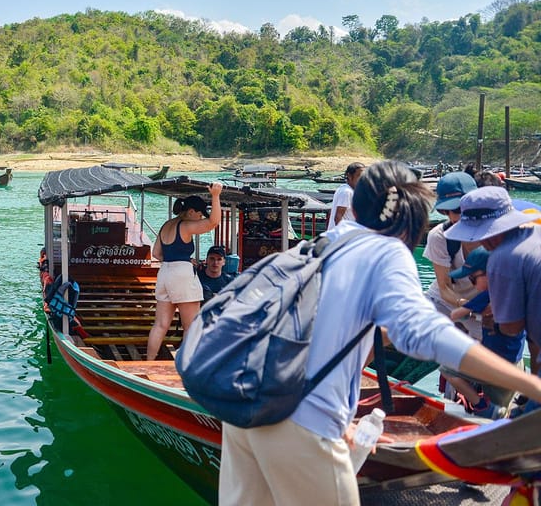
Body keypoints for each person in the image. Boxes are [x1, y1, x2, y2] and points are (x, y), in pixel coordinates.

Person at [217, 161, 541, 506]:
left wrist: (340, 414)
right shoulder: (385, 254)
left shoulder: (313, 247)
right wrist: (529, 385)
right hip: (299, 419)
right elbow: (425, 333)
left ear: (356, 205)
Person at [444, 186, 541, 381]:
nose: (481, 242)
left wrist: (497, 317)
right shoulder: (537, 233)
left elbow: (511, 328)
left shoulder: (502, 258)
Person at [442, 247, 525, 418]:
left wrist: (469, 309)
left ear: (490, 273)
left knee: (447, 369)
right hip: (515, 360)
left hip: (494, 363)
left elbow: (455, 315)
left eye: (473, 279)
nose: (472, 284)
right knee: (502, 409)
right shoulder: (515, 293)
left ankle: (480, 405)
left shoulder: (487, 296)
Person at [146, 184, 223, 360]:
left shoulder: (167, 225)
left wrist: (177, 260)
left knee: (160, 325)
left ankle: (148, 361)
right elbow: (214, 222)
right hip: (182, 274)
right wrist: (216, 196)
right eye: (199, 214)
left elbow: (156, 253)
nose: (200, 218)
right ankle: (185, 363)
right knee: (190, 326)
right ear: (190, 212)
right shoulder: (186, 226)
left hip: (164, 272)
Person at [422, 171, 481, 339]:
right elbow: (444, 287)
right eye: (450, 211)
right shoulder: (440, 236)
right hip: (445, 303)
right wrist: (465, 306)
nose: (457, 216)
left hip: (484, 309)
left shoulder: (495, 233)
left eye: (462, 209)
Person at [326, 162, 364, 230]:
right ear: (349, 176)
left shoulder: (349, 190)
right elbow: (338, 217)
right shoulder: (346, 192)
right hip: (342, 236)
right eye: (359, 176)